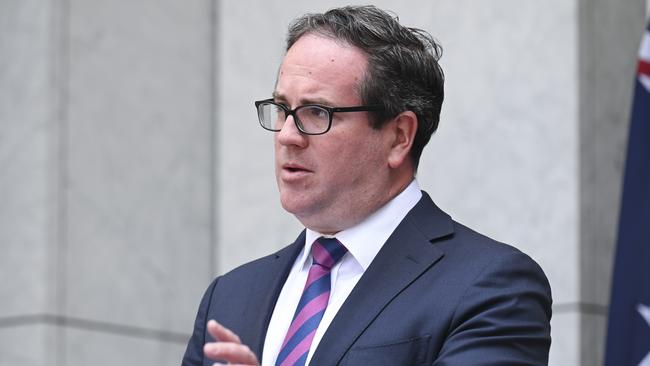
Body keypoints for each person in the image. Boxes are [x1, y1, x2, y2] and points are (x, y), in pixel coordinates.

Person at [182, 5, 552, 366]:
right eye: (282, 108)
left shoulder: (491, 286)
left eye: (317, 112)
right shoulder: (229, 297)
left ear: (398, 137)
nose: (288, 135)